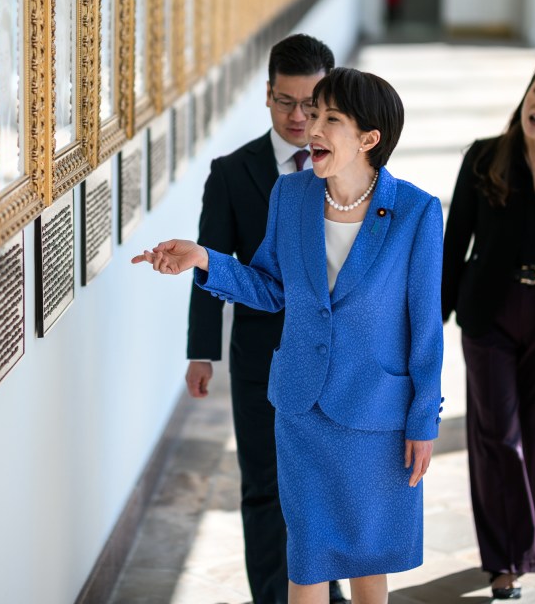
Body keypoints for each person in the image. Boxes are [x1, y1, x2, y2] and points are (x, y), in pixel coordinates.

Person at [135, 68, 445, 604]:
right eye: (312, 113)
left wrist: (423, 420)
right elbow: (271, 287)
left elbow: (425, 328)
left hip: (377, 418)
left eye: (330, 118)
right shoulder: (292, 196)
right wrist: (205, 258)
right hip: (303, 411)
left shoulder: (417, 212)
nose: (310, 125)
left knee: (368, 567)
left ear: (369, 139)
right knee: (306, 559)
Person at [186, 33, 335, 604]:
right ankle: (274, 596)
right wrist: (202, 352)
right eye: (285, 102)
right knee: (266, 486)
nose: (299, 117)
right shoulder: (231, 173)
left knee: (326, 482)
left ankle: (328, 590)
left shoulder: (345, 168)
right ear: (266, 96)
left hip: (331, 358)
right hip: (261, 360)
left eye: (312, 102)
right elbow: (210, 264)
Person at [442, 60, 535, 600]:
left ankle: (524, 547)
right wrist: (429, 325)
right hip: (487, 317)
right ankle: (507, 559)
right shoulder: (484, 156)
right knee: (497, 437)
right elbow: (454, 240)